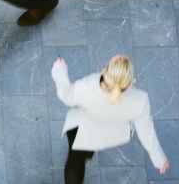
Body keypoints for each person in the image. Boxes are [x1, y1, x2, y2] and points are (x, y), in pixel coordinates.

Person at [52, 55, 170, 183]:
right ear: (129, 81)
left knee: (75, 161)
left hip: (81, 132)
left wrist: (60, 70)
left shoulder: (84, 88)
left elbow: (66, 96)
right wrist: (159, 159)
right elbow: (146, 133)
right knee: (85, 152)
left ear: (107, 69)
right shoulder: (140, 100)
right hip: (108, 135)